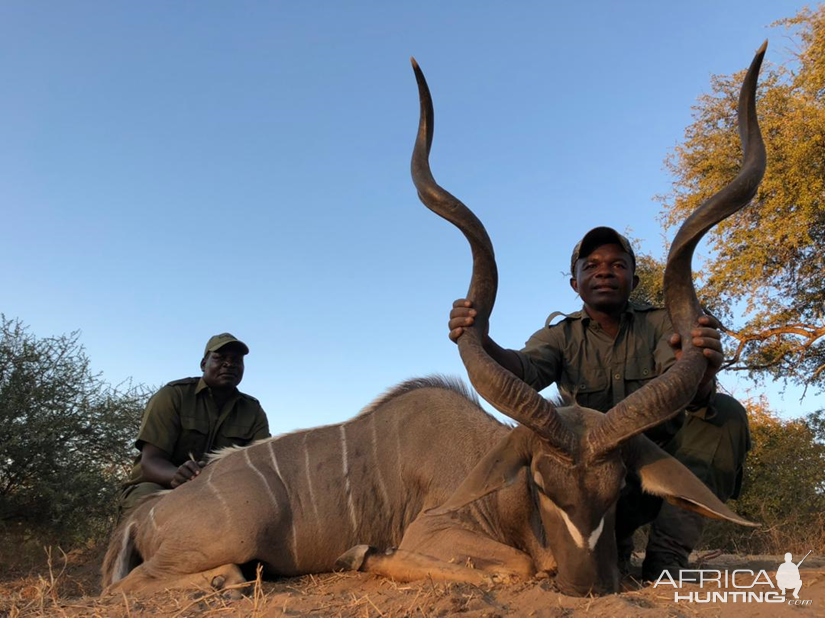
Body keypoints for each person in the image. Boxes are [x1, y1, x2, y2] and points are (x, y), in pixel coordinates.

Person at [448, 227, 750, 580]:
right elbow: (524, 371)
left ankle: (666, 558)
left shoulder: (663, 323)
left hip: (650, 474)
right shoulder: (560, 336)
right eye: (590, 266)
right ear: (575, 284)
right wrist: (481, 338)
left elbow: (686, 390)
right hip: (584, 489)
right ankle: (606, 543)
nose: (604, 271)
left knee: (725, 414)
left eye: (617, 265)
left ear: (633, 280)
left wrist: (700, 370)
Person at [118, 333, 270, 516]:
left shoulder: (252, 410)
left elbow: (260, 465)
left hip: (220, 492)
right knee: (147, 504)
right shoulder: (174, 395)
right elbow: (150, 462)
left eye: (236, 360)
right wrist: (177, 476)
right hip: (162, 484)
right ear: (203, 364)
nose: (229, 364)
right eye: (220, 358)